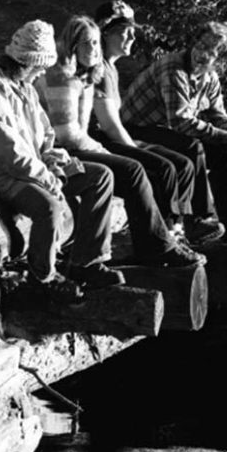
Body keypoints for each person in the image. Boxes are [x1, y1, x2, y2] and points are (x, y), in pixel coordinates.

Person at [0, 20, 124, 290]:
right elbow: (6, 151)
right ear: (27, 62)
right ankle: (42, 279)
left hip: (25, 169)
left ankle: (87, 262)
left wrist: (53, 157)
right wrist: (44, 176)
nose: (42, 74)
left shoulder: (25, 88)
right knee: (49, 208)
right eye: (40, 68)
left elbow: (44, 134)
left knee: (99, 177)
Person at [36, 15, 205, 268]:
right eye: (86, 43)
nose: (93, 49)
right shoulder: (62, 76)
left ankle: (162, 239)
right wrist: (102, 148)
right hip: (55, 153)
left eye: (95, 43)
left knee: (141, 170)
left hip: (74, 147)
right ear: (72, 46)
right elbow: (68, 135)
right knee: (132, 170)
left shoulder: (86, 76)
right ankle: (154, 246)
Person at [120, 20, 227, 243]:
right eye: (200, 46)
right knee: (193, 147)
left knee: (226, 148)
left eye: (210, 53)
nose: (201, 54)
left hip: (164, 127)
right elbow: (181, 122)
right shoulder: (173, 68)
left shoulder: (209, 78)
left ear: (219, 61)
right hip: (135, 130)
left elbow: (218, 115)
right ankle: (197, 219)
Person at [91, 0, 223, 244]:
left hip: (119, 133)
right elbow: (110, 126)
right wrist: (137, 149)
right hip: (100, 140)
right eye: (125, 31)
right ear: (105, 33)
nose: (132, 37)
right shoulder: (98, 69)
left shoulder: (111, 67)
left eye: (133, 31)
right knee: (162, 168)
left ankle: (180, 226)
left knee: (181, 163)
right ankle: (163, 236)